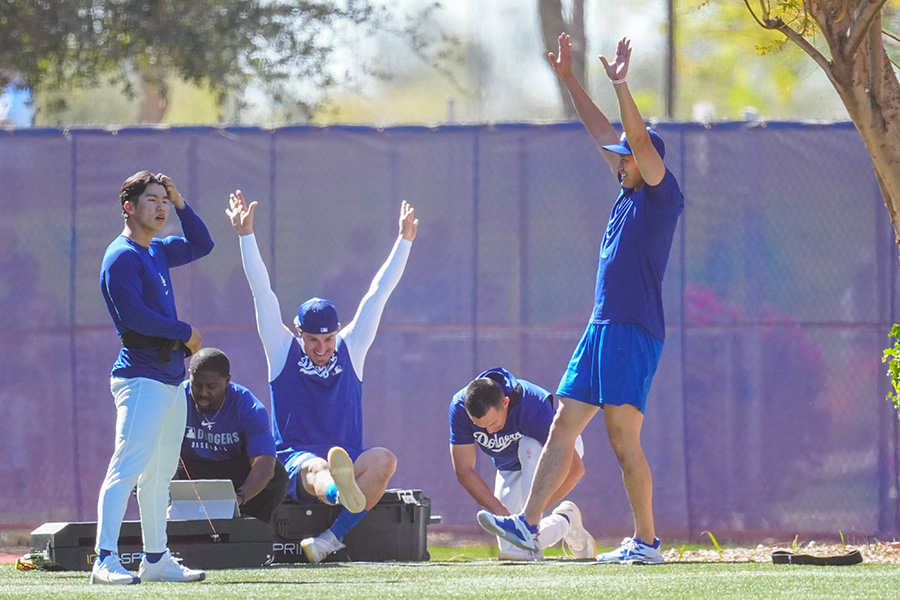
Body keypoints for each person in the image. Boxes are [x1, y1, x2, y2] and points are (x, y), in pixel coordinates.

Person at [476, 34, 684, 564]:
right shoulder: (625, 192)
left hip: (631, 327)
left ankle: (647, 542)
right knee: (563, 423)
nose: (618, 160)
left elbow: (635, 137)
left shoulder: (660, 194)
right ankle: (526, 525)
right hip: (600, 327)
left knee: (620, 438)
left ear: (646, 159)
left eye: (627, 157)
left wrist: (620, 83)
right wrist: (570, 78)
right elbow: (605, 133)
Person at [226, 190, 418, 564]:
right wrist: (245, 235)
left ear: (338, 331)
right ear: (298, 333)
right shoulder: (281, 349)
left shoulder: (352, 346)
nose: (321, 347)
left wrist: (404, 241)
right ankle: (338, 492)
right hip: (297, 459)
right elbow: (261, 293)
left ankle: (330, 539)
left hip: (349, 456)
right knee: (318, 467)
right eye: (312, 340)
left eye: (328, 339)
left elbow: (378, 294)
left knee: (385, 461)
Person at [93, 171, 214, 584]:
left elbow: (203, 244)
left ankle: (156, 559)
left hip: (169, 379)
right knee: (126, 469)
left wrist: (182, 202)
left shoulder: (157, 250)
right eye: (153, 200)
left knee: (159, 476)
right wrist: (185, 332)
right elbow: (133, 317)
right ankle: (104, 559)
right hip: (140, 377)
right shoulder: (121, 255)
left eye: (164, 199)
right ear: (129, 207)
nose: (161, 206)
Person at [450, 368, 596, 560]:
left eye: (493, 422)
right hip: (509, 467)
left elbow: (575, 470)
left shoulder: (532, 405)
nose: (490, 432)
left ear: (505, 402)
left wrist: (531, 513)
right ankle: (565, 521)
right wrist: (505, 517)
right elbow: (464, 471)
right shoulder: (460, 407)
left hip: (556, 452)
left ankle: (541, 528)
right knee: (511, 546)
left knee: (527, 445)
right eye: (480, 426)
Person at [175, 347, 289, 525]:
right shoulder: (175, 399)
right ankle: (164, 531)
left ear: (227, 380)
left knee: (277, 477)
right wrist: (166, 499)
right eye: (197, 385)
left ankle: (248, 529)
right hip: (190, 472)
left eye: (211, 387)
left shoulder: (249, 407)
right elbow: (155, 452)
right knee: (143, 471)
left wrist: (241, 497)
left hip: (231, 474)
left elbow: (265, 463)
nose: (203, 393)